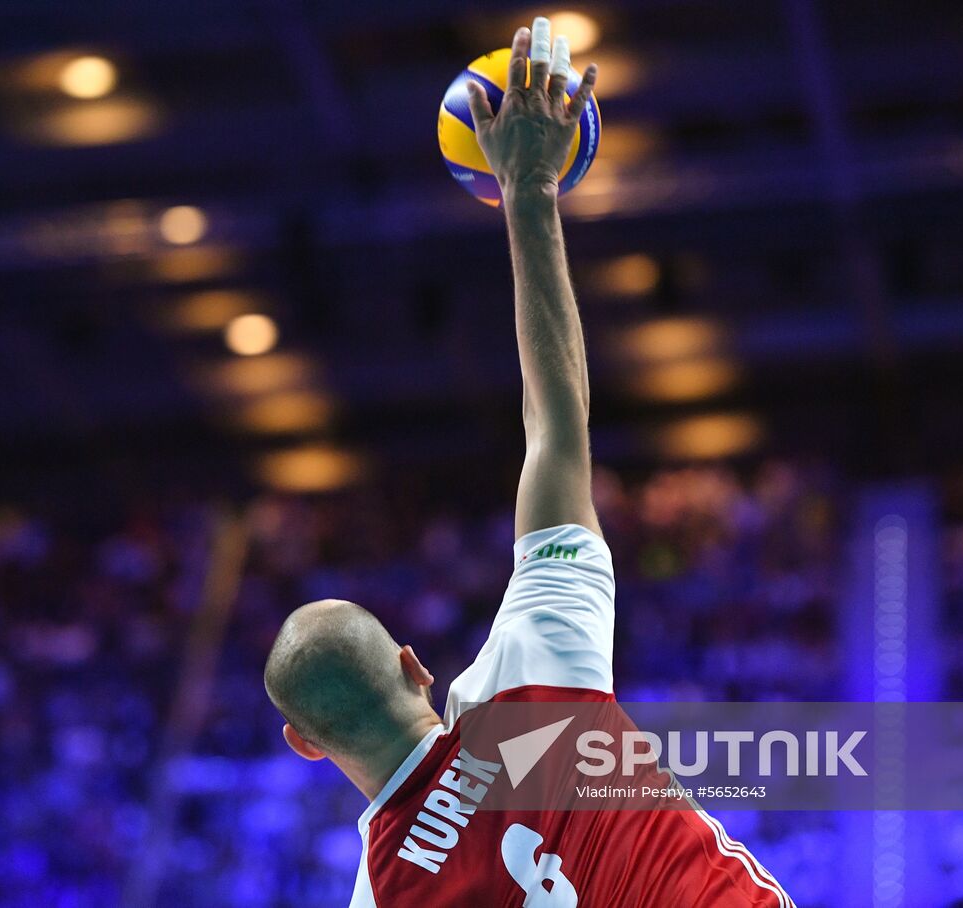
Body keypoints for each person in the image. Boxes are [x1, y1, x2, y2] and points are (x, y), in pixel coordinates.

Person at [264, 19, 793, 907]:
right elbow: (557, 421)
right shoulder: (534, 668)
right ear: (412, 665)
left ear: (304, 744)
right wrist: (529, 187)